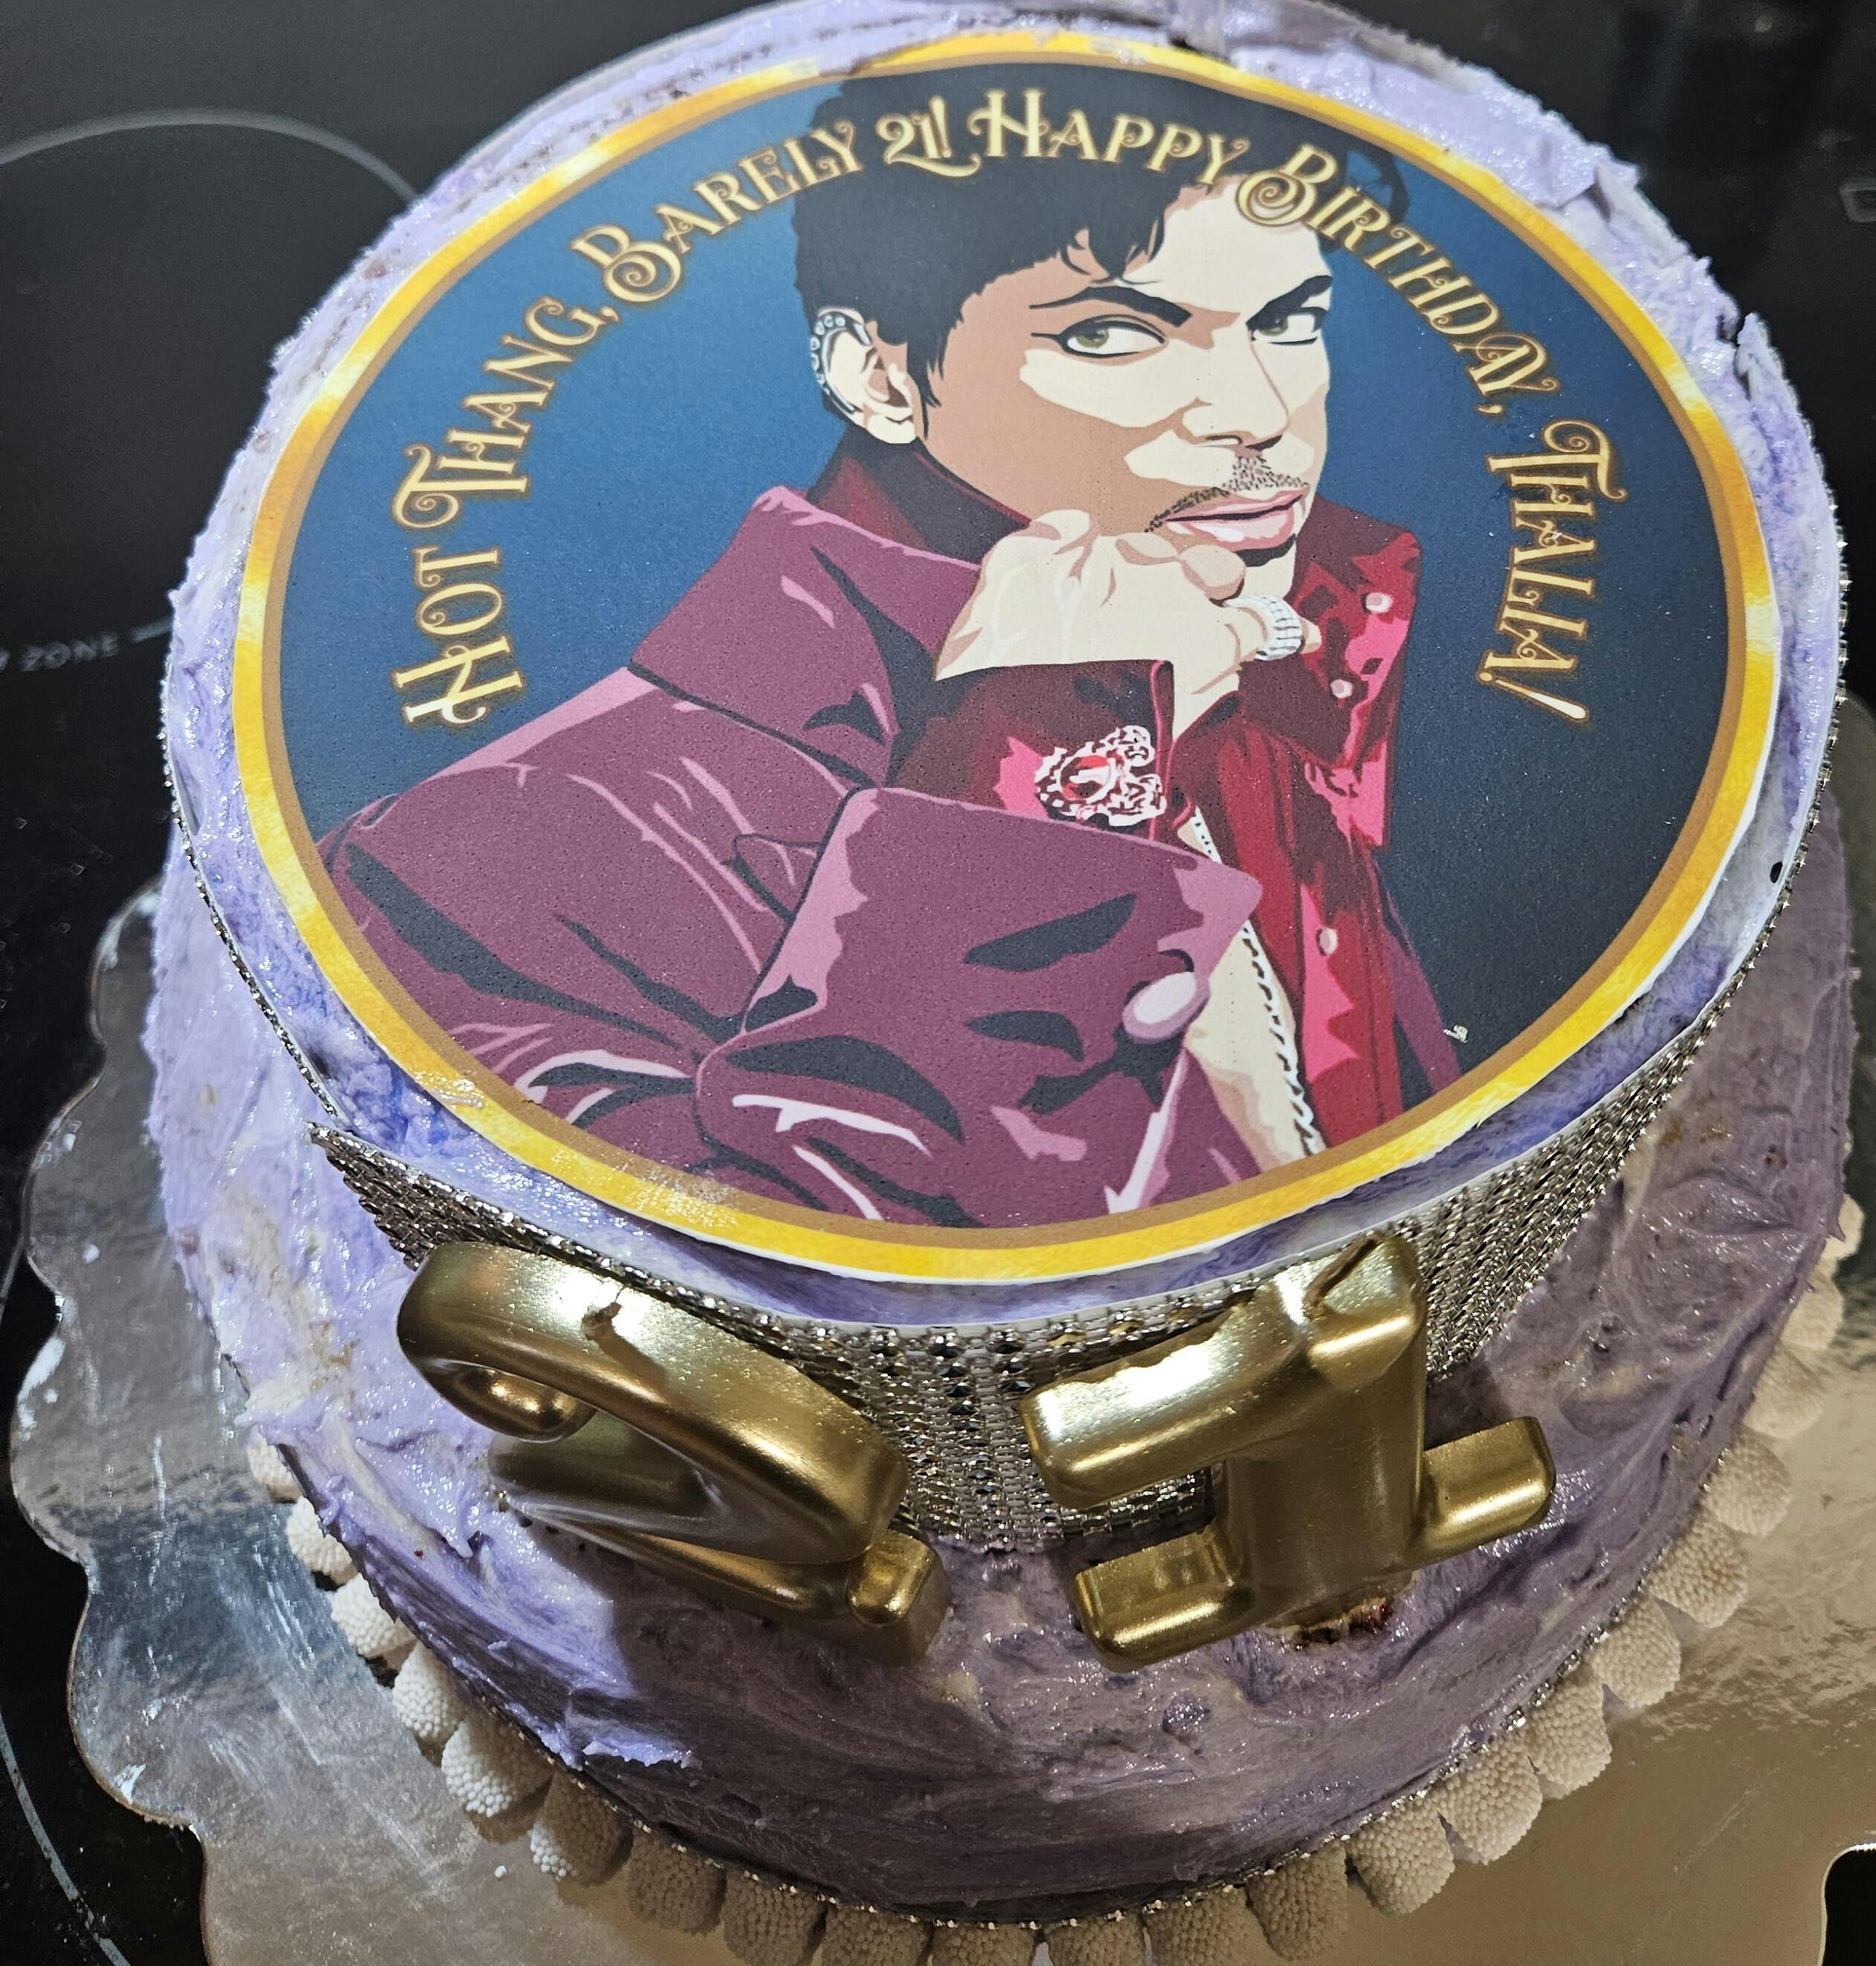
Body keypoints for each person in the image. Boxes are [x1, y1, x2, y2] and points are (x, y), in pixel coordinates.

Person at [322, 67, 1455, 1229]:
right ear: (879, 376)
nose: (1258, 413)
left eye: (1290, 322)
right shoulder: (480, 853)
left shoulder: (1275, 659)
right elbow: (780, 1308)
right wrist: (1025, 761)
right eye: (1115, 334)